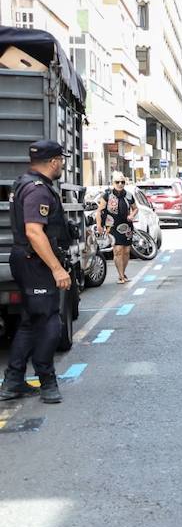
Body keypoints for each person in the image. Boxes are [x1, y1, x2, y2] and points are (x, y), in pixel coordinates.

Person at [0, 140, 73, 405]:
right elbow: (34, 231)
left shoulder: (24, 182)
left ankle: (13, 382)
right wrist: (57, 268)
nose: (62, 165)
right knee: (49, 323)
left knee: (31, 321)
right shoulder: (37, 190)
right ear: (53, 162)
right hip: (35, 263)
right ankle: (47, 381)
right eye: (61, 160)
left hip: (27, 259)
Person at [100, 175, 136, 283]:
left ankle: (123, 273)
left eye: (122, 182)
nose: (120, 184)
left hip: (126, 225)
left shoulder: (129, 195)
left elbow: (135, 208)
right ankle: (120, 276)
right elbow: (100, 210)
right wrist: (99, 225)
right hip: (112, 225)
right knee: (118, 250)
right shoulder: (107, 195)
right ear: (113, 183)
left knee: (126, 251)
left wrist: (132, 215)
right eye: (117, 182)